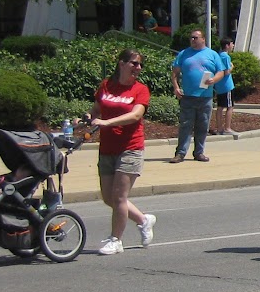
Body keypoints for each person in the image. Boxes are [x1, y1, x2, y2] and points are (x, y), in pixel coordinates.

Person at [88, 48, 156, 256]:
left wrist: (107, 123)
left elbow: (136, 116)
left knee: (119, 197)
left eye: (140, 65)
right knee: (108, 198)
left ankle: (116, 240)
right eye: (134, 63)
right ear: (121, 64)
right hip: (107, 148)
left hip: (130, 148)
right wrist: (84, 118)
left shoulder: (140, 90)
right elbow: (96, 109)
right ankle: (143, 220)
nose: (138, 68)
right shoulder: (106, 86)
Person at [169, 28, 226, 163]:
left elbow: (221, 71)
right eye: (191, 38)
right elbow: (174, 73)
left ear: (203, 39)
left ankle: (199, 152)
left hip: (205, 97)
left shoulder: (212, 54)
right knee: (185, 125)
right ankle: (180, 153)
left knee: (203, 125)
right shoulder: (184, 54)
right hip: (188, 97)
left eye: (195, 38)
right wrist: (176, 88)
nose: (193, 40)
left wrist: (214, 80)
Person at [210, 36, 236, 136]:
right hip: (227, 86)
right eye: (231, 43)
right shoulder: (225, 56)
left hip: (219, 86)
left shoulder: (218, 55)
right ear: (227, 45)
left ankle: (220, 128)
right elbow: (226, 72)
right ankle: (227, 128)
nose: (233, 46)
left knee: (220, 107)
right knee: (230, 107)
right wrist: (232, 67)